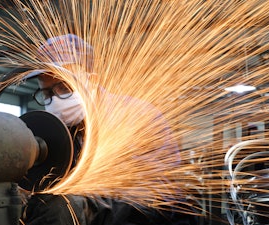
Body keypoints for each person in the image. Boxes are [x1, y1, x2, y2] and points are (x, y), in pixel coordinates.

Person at [21, 34, 196, 225]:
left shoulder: (134, 115)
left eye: (64, 87)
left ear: (92, 81)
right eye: (46, 93)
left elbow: (155, 193)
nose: (54, 100)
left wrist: (85, 202)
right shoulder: (61, 132)